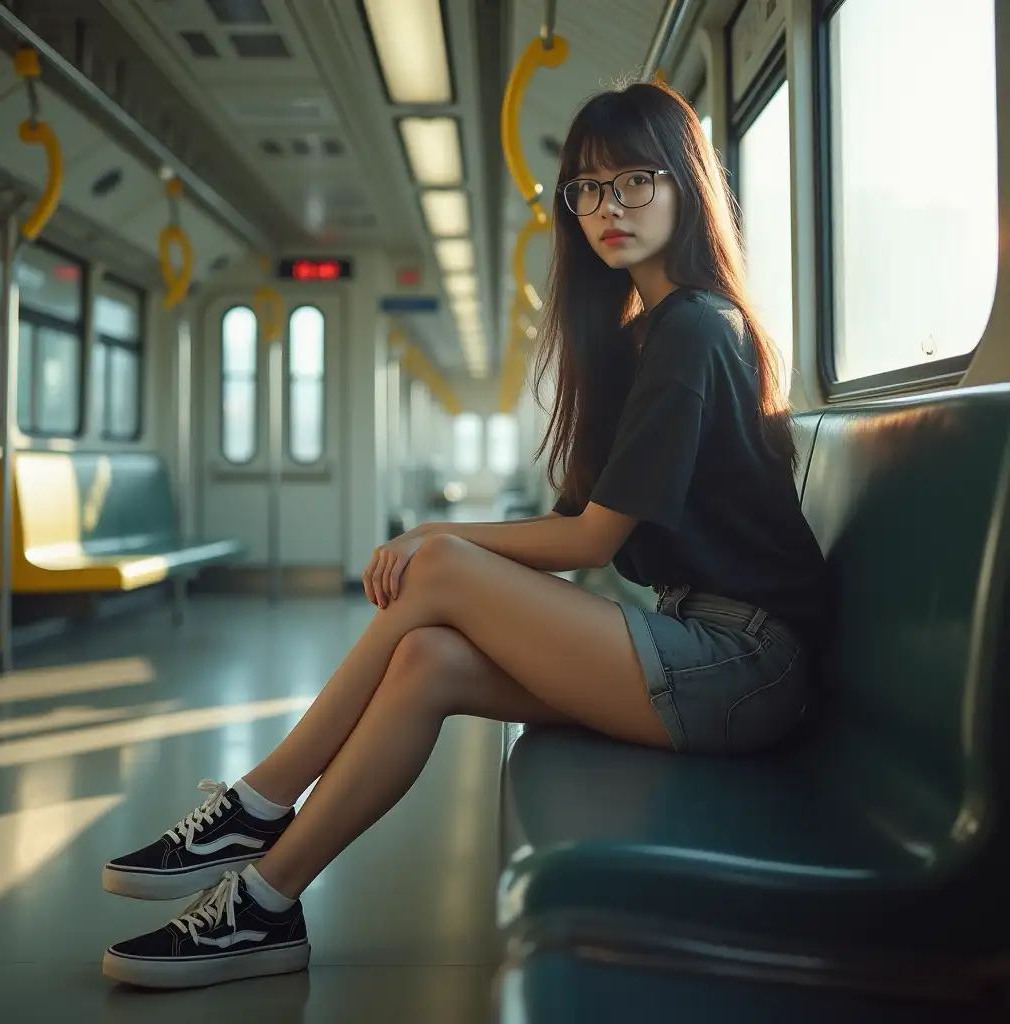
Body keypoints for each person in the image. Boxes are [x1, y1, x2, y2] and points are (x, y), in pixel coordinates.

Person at [100, 80, 827, 990]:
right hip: (703, 648)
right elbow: (577, 523)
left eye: (637, 180)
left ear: (685, 184)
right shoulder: (643, 336)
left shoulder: (696, 329)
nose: (610, 208)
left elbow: (592, 542)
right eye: (588, 189)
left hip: (745, 666)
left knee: (439, 562)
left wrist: (439, 534)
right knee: (428, 662)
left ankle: (258, 801)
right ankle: (264, 907)